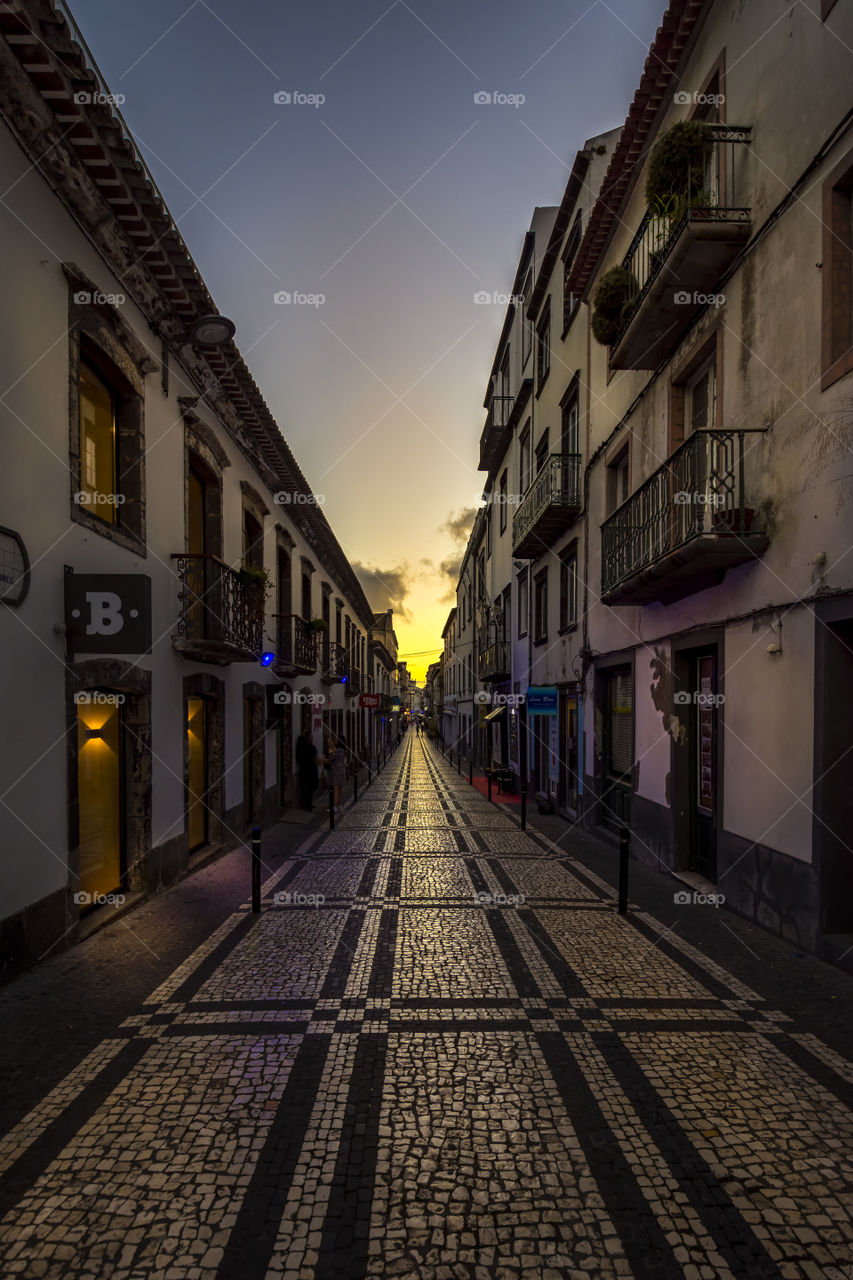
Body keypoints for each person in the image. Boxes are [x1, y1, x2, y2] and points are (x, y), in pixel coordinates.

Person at [320, 735, 347, 810]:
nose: (335, 741)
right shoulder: (343, 750)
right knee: (340, 788)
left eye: (337, 740)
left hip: (336, 772)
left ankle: (335, 806)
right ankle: (339, 804)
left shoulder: (338, 750)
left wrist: (322, 760)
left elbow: (331, 758)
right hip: (342, 770)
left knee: (336, 789)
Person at [295, 729, 318, 811]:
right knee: (308, 788)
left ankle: (308, 803)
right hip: (309, 771)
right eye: (311, 736)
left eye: (312, 736)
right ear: (307, 738)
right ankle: (307, 804)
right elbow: (316, 759)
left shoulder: (307, 748)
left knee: (308, 788)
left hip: (307, 770)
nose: (312, 738)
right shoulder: (309, 748)